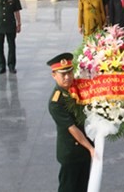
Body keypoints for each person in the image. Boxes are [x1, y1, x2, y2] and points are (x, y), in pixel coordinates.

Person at [47, 53, 94, 192]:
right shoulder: (56, 102)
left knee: (82, 187)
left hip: (84, 150)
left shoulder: (77, 88)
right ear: (54, 76)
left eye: (69, 72)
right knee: (69, 188)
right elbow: (72, 128)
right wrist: (91, 148)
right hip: (71, 152)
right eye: (63, 74)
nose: (67, 77)